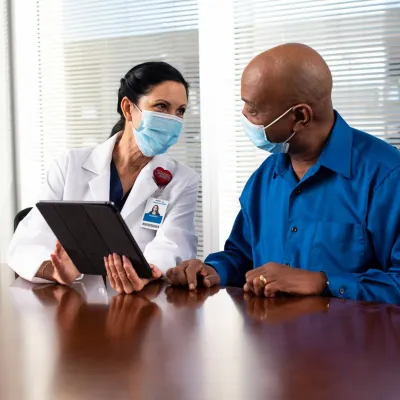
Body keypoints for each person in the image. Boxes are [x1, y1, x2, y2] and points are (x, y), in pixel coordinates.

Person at [167, 43, 400, 304]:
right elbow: (242, 255)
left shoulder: (387, 176)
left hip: (354, 343)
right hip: (270, 340)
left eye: (253, 109)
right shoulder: (266, 176)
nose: (244, 116)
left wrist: (323, 282)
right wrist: (213, 270)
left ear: (300, 116)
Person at [8, 61, 199, 294]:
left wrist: (146, 272)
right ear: (128, 109)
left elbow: (174, 244)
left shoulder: (181, 180)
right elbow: (27, 242)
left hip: (140, 305)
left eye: (180, 111)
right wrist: (54, 270)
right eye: (161, 106)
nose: (173, 120)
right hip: (72, 303)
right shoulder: (71, 165)